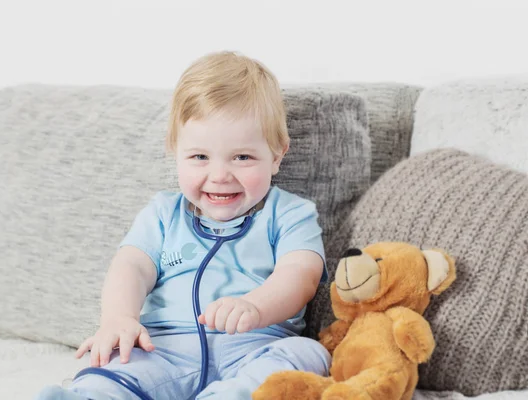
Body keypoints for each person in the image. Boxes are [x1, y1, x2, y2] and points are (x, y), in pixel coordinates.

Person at [36, 51, 330, 400]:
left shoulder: (290, 213)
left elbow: (301, 276)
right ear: (175, 151)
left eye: (242, 157)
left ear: (277, 156)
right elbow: (130, 267)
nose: (220, 175)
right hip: (164, 347)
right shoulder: (163, 214)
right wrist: (118, 318)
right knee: (114, 366)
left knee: (311, 354)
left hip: (256, 346)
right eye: (199, 157)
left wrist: (256, 305)